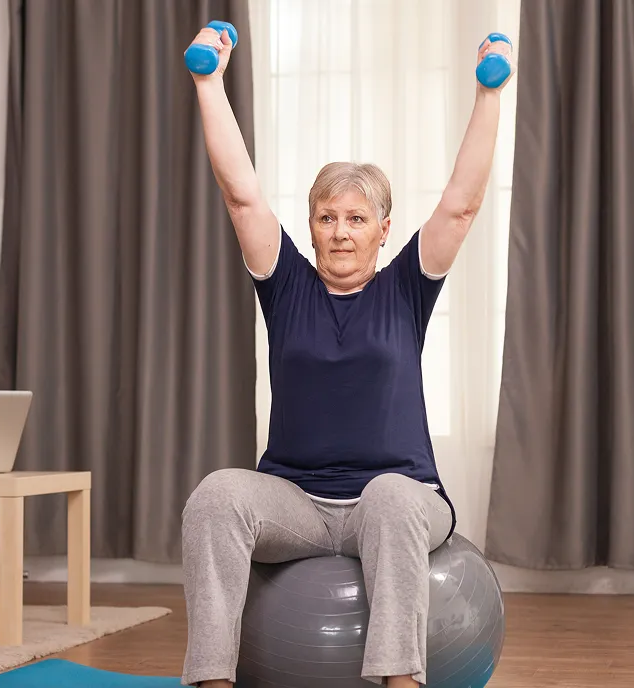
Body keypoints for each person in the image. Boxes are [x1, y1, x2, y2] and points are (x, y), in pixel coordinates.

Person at [180, 23, 513, 688]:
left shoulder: (405, 290)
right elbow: (240, 192)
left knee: (390, 496)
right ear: (310, 226)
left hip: (400, 496)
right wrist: (207, 82)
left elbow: (462, 204)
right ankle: (212, 680)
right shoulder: (286, 286)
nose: (340, 232)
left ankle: (400, 681)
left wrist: (488, 92)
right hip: (297, 502)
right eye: (327, 217)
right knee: (215, 497)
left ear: (383, 231)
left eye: (356, 219)